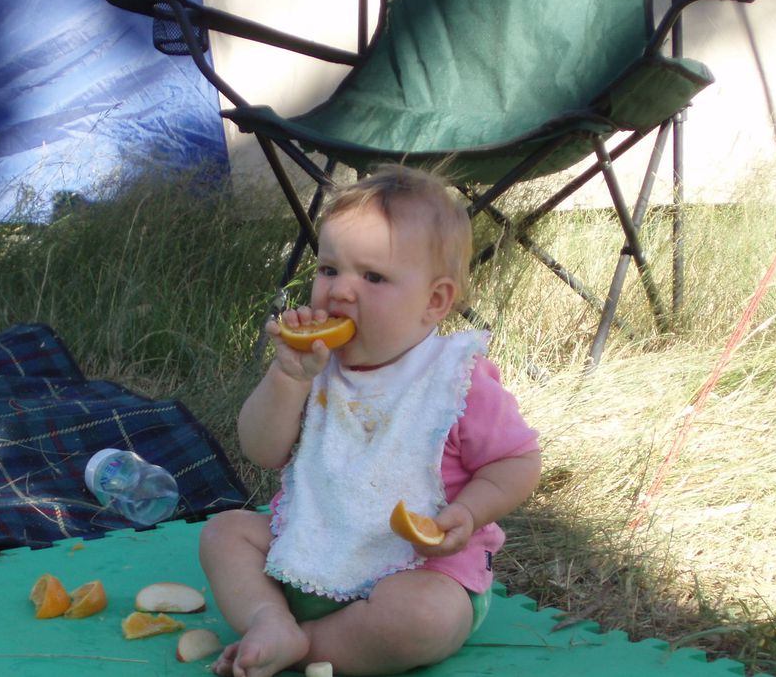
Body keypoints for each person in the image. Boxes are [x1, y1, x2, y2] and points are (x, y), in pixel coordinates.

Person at [200, 165, 541, 677]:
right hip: (306, 548)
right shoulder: (314, 365)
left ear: (434, 301)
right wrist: (287, 376)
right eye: (329, 269)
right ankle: (270, 616)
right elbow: (261, 449)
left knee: (425, 617)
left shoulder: (456, 382)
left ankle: (306, 642)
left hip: (414, 570)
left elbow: (516, 463)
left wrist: (469, 513)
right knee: (224, 534)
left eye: (373, 277)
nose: (339, 292)